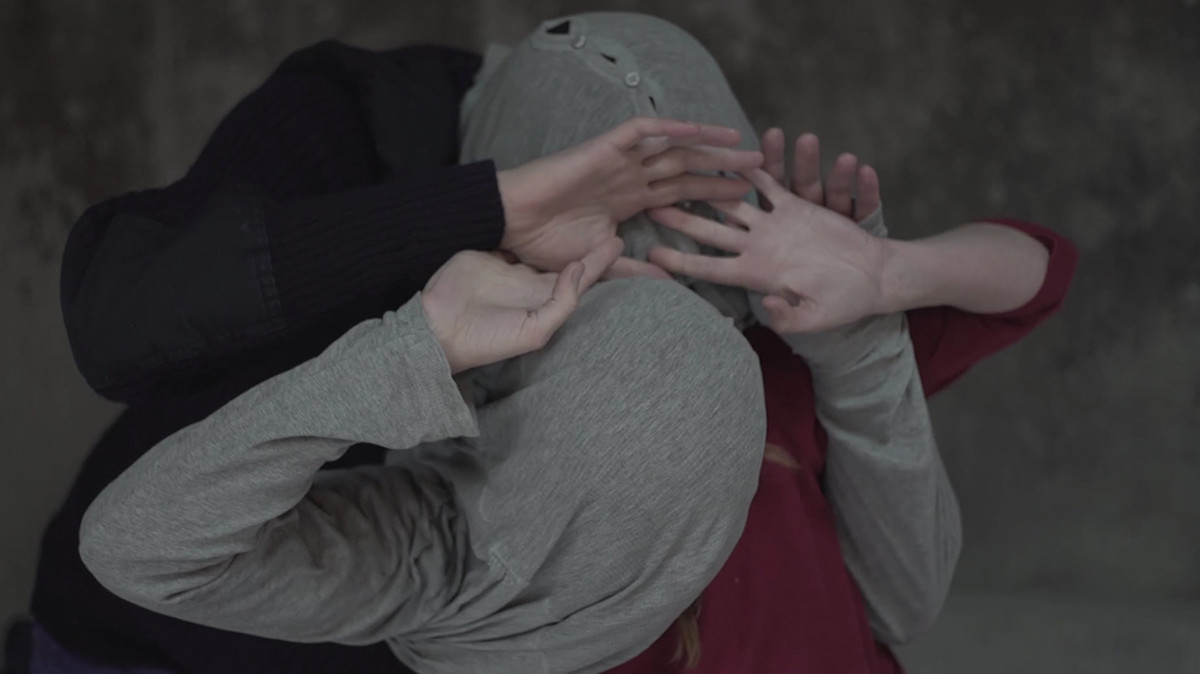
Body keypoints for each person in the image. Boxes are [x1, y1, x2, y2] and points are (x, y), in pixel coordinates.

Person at [22, 11, 1077, 674]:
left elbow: (1040, 267)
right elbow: (137, 493)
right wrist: (425, 327)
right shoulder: (465, 542)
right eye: (619, 242)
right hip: (155, 628)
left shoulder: (767, 354)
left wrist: (883, 282)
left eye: (707, 222)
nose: (668, 285)